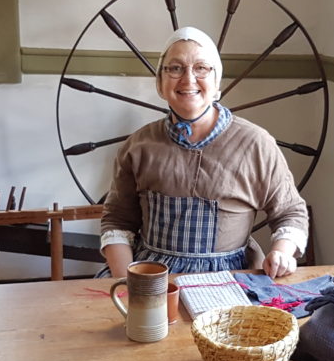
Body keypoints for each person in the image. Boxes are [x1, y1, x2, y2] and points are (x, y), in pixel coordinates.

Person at [100, 26, 309, 279]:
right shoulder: (138, 146)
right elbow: (118, 221)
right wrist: (130, 283)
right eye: (175, 68)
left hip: (232, 280)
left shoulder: (255, 144)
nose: (188, 80)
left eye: (201, 68)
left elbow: (290, 212)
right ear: (160, 81)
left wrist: (282, 253)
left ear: (216, 79)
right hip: (152, 277)